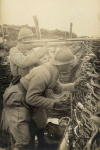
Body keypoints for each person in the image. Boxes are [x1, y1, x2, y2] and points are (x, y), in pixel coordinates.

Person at [2, 47, 83, 150]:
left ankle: (40, 145)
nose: (71, 66)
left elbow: (58, 87)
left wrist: (73, 86)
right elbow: (31, 98)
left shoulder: (53, 70)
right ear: (63, 64)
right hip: (16, 99)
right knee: (23, 140)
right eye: (70, 64)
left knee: (39, 124)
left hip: (25, 99)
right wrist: (53, 103)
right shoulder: (44, 73)